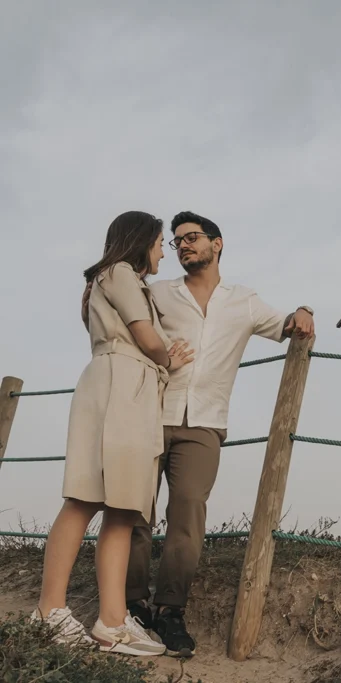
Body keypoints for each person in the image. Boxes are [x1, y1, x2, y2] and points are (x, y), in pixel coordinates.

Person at [124, 210, 315, 658]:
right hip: (149, 412)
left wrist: (305, 311)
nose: (183, 245)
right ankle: (131, 606)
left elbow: (286, 324)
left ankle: (170, 611)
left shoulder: (243, 300)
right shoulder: (157, 293)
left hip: (205, 422)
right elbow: (125, 327)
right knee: (134, 513)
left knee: (188, 517)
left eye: (192, 237)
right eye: (176, 242)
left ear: (217, 243)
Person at [33, 211, 195, 656]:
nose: (165, 250)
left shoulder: (121, 280)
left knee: (124, 510)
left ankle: (111, 621)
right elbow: (145, 336)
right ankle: (49, 610)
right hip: (119, 386)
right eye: (161, 242)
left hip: (135, 392)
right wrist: (170, 359)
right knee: (85, 498)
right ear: (141, 241)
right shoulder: (119, 272)